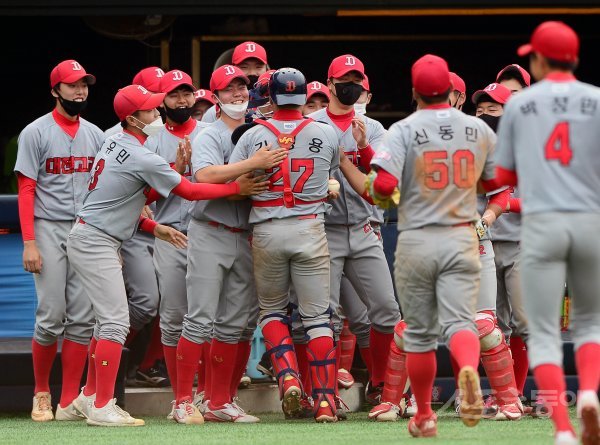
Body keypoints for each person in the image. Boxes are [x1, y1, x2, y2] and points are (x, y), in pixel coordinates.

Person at [66, 84, 268, 427]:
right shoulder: (140, 152)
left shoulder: (115, 141)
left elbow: (131, 192)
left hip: (95, 234)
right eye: (148, 109)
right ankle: (101, 405)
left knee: (105, 323)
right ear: (132, 118)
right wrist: (238, 186)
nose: (157, 112)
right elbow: (189, 190)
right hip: (96, 238)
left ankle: (89, 395)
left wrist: (161, 198)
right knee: (115, 322)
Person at [367, 54, 498, 437]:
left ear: (414, 91)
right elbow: (497, 183)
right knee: (462, 322)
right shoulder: (478, 128)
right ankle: (468, 370)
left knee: (420, 333)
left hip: (418, 238)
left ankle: (424, 414)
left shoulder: (403, 129)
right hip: (462, 235)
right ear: (451, 90)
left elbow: (383, 187)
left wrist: (385, 193)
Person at [494, 21, 600, 445]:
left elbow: (503, 176)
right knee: (590, 324)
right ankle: (588, 392)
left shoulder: (520, 105)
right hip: (589, 220)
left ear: (538, 60)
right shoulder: (596, 99)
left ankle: (563, 430)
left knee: (541, 332)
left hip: (541, 224)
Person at [173, 65, 286, 424]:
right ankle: (182, 401)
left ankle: (220, 401)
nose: (237, 93)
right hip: (211, 229)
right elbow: (204, 176)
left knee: (236, 324)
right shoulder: (209, 133)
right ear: (216, 96)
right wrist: (249, 169)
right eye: (229, 88)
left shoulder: (260, 130)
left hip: (247, 232)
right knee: (199, 318)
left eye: (241, 86)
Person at [229, 67, 341, 422]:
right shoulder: (326, 131)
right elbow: (330, 176)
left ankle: (289, 377)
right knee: (317, 318)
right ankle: (325, 402)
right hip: (310, 227)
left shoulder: (252, 134)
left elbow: (235, 179)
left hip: (267, 228)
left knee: (273, 312)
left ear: (272, 97)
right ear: (304, 97)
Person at [308, 54, 402, 408]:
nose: (351, 86)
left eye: (356, 81)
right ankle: (324, 394)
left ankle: (380, 385)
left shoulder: (374, 128)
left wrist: (362, 148)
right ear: (329, 84)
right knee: (324, 316)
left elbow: (384, 186)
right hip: (324, 229)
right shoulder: (311, 124)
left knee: (386, 310)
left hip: (364, 228)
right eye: (344, 80)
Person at [14, 59, 104, 422]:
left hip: (85, 228)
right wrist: (29, 242)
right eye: (72, 85)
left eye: (84, 84)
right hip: (48, 226)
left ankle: (68, 400)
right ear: (55, 90)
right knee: (51, 315)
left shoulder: (96, 134)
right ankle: (41, 393)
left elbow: (103, 190)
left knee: (82, 318)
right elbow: (26, 189)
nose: (80, 91)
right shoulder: (35, 132)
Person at [142, 69, 208, 417]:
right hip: (169, 234)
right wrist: (175, 171)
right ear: (162, 100)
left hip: (207, 232)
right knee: (172, 317)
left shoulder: (209, 134)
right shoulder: (151, 140)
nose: (182, 101)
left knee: (209, 317)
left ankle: (208, 395)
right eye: (174, 95)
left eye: (186, 93)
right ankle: (180, 396)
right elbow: (140, 195)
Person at [492, 63, 534, 413]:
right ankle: (504, 396)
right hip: (486, 243)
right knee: (494, 325)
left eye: (515, 94)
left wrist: (508, 203)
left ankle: (522, 392)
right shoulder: (480, 140)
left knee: (526, 323)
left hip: (523, 243)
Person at [202, 41, 269, 123]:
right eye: (244, 67)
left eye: (258, 67)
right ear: (234, 68)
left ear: (266, 68)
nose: (252, 73)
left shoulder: (276, 102)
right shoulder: (214, 111)